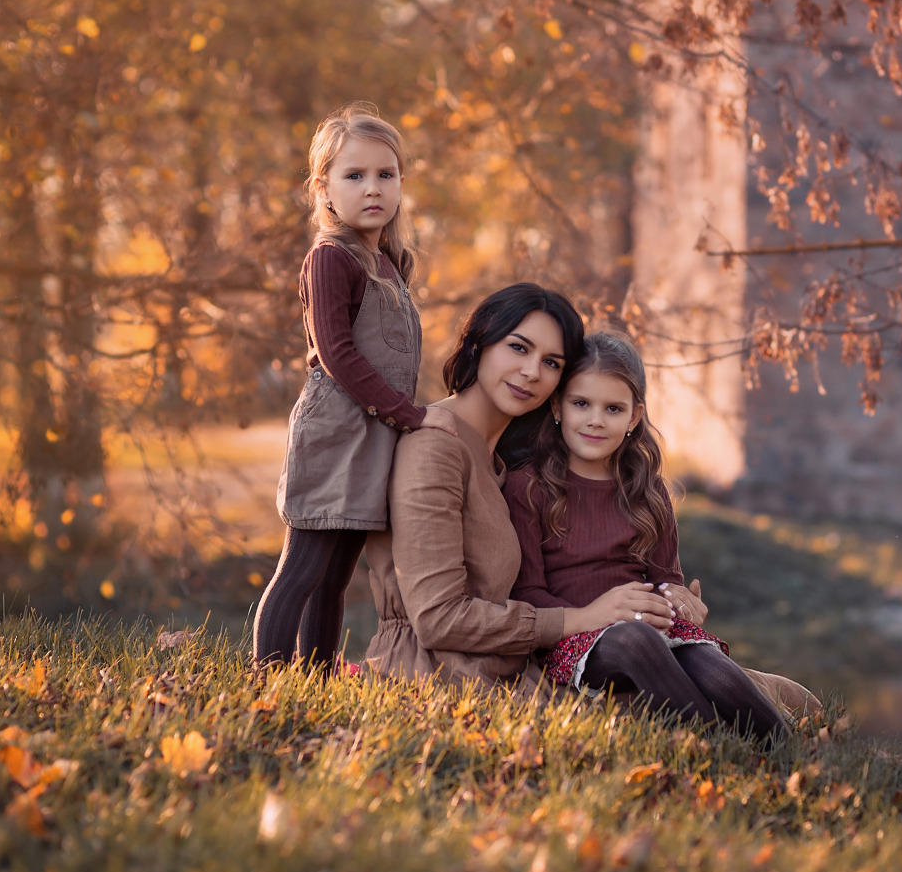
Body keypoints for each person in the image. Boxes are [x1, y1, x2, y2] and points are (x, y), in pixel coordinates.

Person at [361, 284, 680, 685]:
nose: (531, 372)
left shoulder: (504, 458)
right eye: (518, 348)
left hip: (507, 666)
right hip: (437, 674)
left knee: (755, 685)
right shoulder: (435, 446)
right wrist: (584, 618)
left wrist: (673, 602)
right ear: (479, 342)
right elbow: (437, 619)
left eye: (551, 362)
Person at [254, 103, 458, 672]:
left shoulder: (389, 262)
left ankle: (315, 678)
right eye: (354, 176)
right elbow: (338, 354)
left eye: (385, 175)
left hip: (374, 435)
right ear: (324, 189)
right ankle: (265, 679)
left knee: (337, 575)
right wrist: (408, 413)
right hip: (335, 432)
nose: (373, 188)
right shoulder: (330, 258)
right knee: (304, 565)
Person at [505, 332, 787, 739]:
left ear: (634, 417)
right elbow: (528, 594)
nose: (596, 419)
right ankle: (712, 745)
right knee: (634, 637)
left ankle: (785, 748)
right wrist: (600, 613)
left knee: (707, 661)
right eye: (581, 403)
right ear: (557, 406)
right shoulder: (528, 487)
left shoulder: (647, 490)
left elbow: (664, 577)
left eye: (613, 408)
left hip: (649, 627)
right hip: (573, 641)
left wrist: (678, 598)